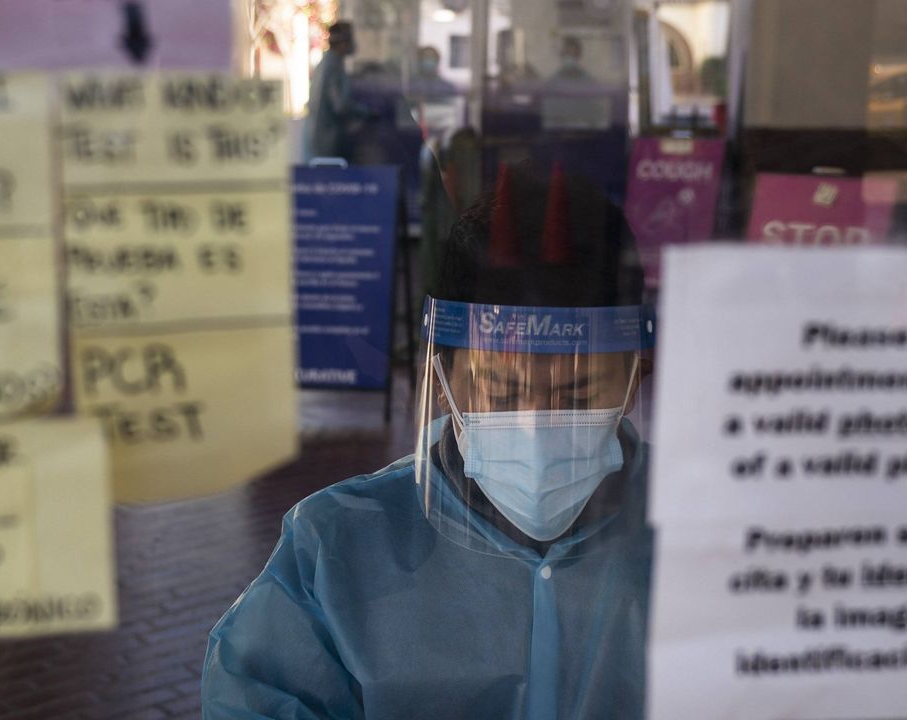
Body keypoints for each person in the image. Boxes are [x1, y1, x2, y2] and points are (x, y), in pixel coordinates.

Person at [203, 163, 654, 719]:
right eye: (503, 391)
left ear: (636, 376)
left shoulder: (703, 536)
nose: (537, 424)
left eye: (578, 395)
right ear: (441, 377)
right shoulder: (340, 548)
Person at [307, 21, 368, 162]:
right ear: (343, 43)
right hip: (329, 143)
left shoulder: (326, 63)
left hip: (321, 140)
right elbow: (340, 105)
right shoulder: (333, 66)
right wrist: (366, 113)